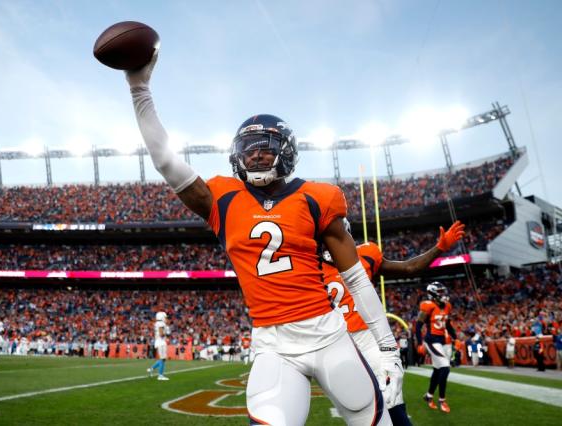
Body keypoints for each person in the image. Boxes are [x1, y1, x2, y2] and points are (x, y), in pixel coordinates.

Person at [123, 51, 400, 425]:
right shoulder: (222, 198)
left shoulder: (319, 197)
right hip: (273, 346)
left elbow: (356, 279)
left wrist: (388, 349)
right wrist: (139, 88)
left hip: (328, 335)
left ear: (286, 153)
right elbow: (166, 162)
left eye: (265, 148)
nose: (255, 157)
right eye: (249, 151)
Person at [322, 220, 465, 425]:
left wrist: (439, 248)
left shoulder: (365, 255)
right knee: (359, 409)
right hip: (337, 342)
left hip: (369, 338)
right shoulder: (309, 266)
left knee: (392, 398)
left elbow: (409, 268)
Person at [415, 282, 457, 414]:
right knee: (445, 367)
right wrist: (420, 343)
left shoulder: (447, 306)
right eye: (440, 292)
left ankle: (428, 396)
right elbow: (418, 325)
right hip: (431, 340)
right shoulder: (427, 306)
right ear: (432, 294)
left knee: (438, 370)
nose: (443, 294)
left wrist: (455, 337)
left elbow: (448, 324)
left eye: (443, 291)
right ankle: (442, 400)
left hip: (443, 341)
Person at [147, 311, 170, 380]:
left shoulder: (158, 323)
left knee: (163, 359)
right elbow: (161, 334)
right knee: (162, 359)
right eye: (165, 317)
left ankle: (152, 368)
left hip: (159, 341)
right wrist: (167, 333)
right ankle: (160, 375)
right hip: (161, 342)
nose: (166, 319)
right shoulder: (161, 323)